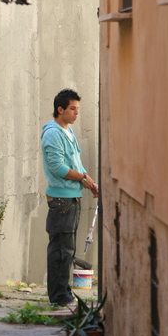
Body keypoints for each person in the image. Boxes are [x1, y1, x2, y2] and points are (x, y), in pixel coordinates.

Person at [41, 88, 98, 307]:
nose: (76, 113)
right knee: (60, 251)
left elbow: (75, 163)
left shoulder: (67, 131)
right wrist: (84, 178)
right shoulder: (53, 133)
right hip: (61, 201)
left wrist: (90, 182)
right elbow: (58, 168)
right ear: (60, 109)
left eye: (78, 109)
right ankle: (59, 297)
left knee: (67, 250)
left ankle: (64, 293)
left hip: (72, 199)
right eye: (72, 109)